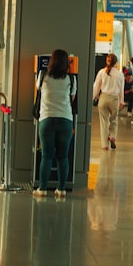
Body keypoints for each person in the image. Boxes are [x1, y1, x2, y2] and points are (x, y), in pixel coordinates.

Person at [33, 49, 77, 198]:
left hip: (47, 119)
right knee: (63, 157)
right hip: (65, 120)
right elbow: (72, 99)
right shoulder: (71, 79)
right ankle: (61, 189)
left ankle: (43, 189)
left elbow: (38, 90)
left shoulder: (42, 75)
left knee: (46, 156)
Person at [92, 53, 123, 150]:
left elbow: (96, 86)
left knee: (104, 122)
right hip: (114, 99)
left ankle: (104, 145)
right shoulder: (120, 74)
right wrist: (121, 101)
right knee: (113, 120)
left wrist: (95, 97)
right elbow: (121, 89)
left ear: (107, 61)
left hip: (103, 98)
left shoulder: (101, 72)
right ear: (116, 62)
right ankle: (112, 136)